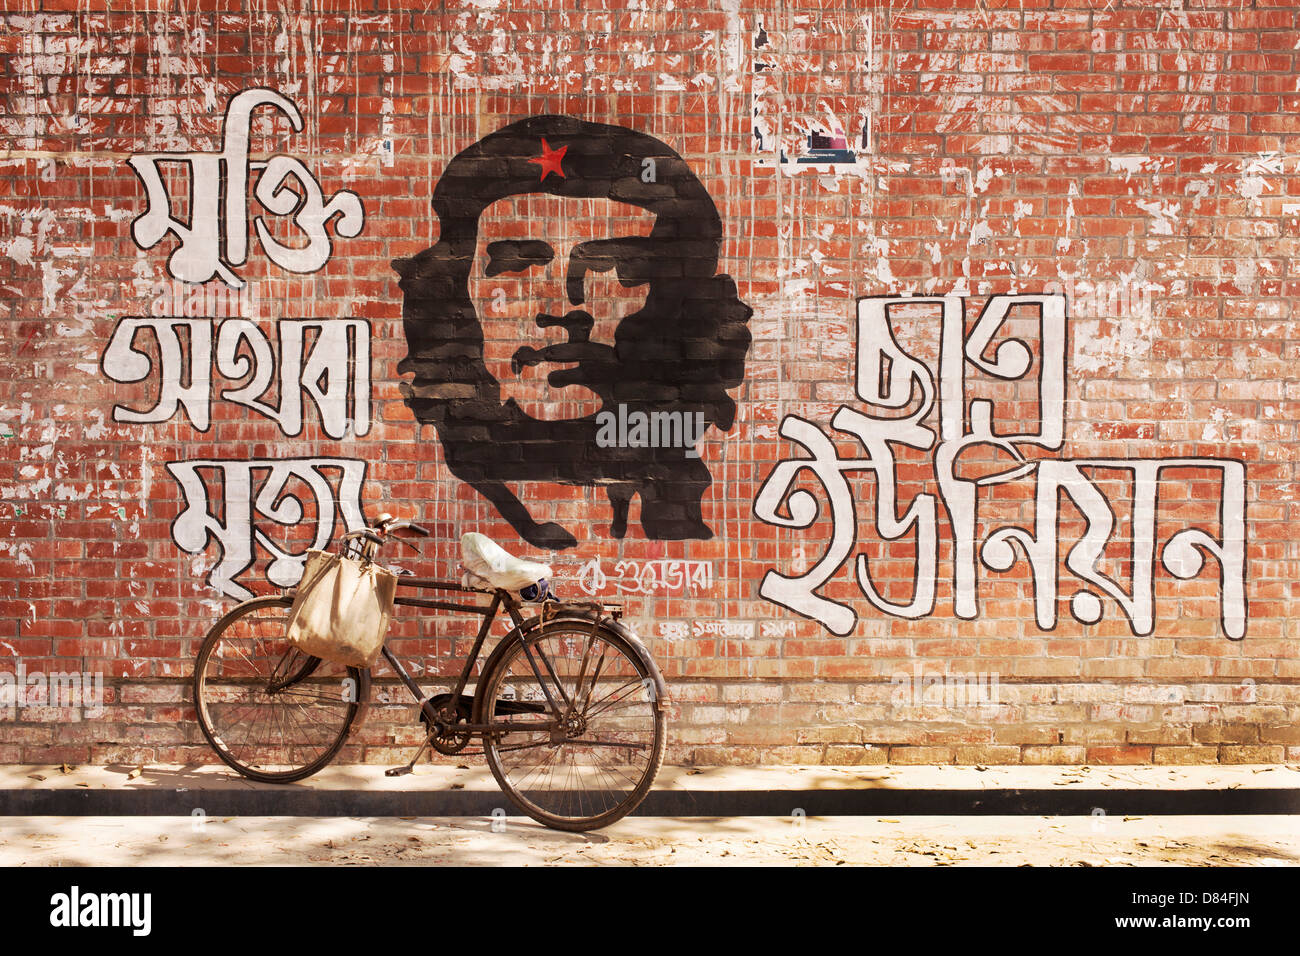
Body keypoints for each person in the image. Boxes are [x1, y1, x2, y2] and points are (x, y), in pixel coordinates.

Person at [393, 115, 751, 550]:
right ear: (464, 290)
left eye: (610, 264)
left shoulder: (671, 463)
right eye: (517, 264)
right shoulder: (474, 455)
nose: (567, 310)